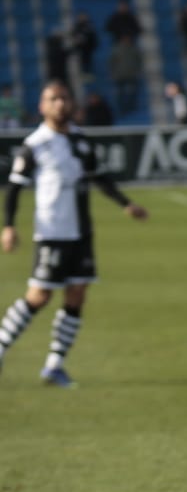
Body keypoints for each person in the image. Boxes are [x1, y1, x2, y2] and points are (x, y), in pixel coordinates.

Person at [0, 80, 149, 385]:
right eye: (53, 99)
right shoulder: (35, 145)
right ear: (42, 106)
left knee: (78, 293)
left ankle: (54, 366)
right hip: (52, 231)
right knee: (39, 296)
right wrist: (9, 226)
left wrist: (126, 204)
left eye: (64, 98)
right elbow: (14, 189)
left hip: (81, 232)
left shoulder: (81, 141)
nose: (60, 104)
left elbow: (99, 177)